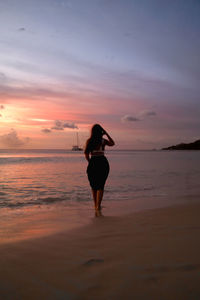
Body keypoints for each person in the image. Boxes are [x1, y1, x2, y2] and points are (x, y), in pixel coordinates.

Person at [84, 124, 115, 212]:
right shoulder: (103, 141)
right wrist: (107, 133)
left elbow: (86, 154)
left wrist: (90, 162)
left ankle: (95, 206)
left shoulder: (89, 141)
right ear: (101, 131)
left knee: (94, 186)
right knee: (101, 186)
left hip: (93, 162)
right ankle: (98, 206)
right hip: (102, 163)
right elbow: (112, 143)